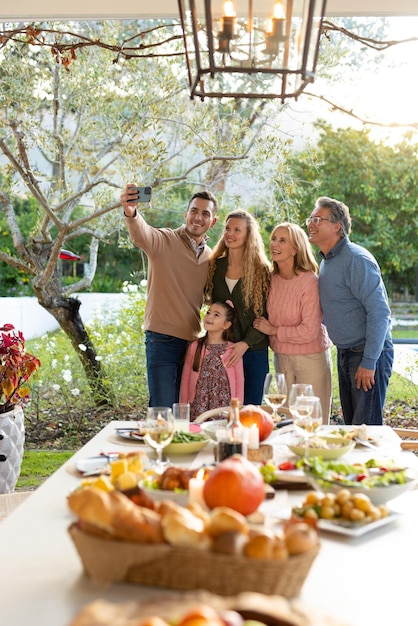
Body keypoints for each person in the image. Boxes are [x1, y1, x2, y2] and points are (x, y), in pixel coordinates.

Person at [121, 185, 218, 407]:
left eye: (205, 213)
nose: (198, 217)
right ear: (186, 214)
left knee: (184, 409)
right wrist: (131, 211)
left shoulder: (210, 256)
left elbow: (212, 296)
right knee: (163, 410)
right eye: (194, 210)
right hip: (161, 340)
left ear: (212, 222)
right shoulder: (163, 241)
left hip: (193, 344)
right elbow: (141, 232)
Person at [307, 196, 394, 426]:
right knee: (354, 428)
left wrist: (369, 362)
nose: (310, 224)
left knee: (367, 430)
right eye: (310, 218)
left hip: (366, 354)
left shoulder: (356, 259)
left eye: (318, 219)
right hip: (346, 353)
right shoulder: (327, 260)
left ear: (337, 226)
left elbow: (379, 313)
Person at [254, 222, 332, 423]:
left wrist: (273, 329)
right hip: (281, 357)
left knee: (312, 420)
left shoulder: (309, 281)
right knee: (287, 420)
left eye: (282, 240)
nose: (274, 244)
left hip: (310, 358)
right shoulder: (270, 279)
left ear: (295, 249)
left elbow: (309, 331)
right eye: (273, 239)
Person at [204, 210, 271, 405]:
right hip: (223, 351)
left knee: (250, 411)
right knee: (223, 410)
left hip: (254, 351)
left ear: (248, 235)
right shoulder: (215, 267)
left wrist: (246, 343)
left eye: (237, 230)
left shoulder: (262, 270)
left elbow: (265, 314)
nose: (230, 234)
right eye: (227, 229)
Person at [180, 301, 244, 421]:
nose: (209, 316)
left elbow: (240, 382)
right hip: (199, 406)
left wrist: (237, 409)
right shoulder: (195, 346)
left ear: (226, 325)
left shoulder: (233, 350)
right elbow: (186, 378)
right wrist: (184, 408)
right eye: (208, 312)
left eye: (216, 315)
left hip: (223, 408)